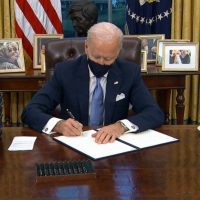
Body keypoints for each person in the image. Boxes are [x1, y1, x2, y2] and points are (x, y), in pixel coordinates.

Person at [21, 22, 164, 144]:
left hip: (113, 145)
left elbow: (154, 113)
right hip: (74, 146)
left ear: (118, 52)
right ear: (86, 47)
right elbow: (30, 111)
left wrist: (121, 126)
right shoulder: (65, 71)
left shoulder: (129, 72)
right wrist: (59, 125)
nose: (101, 63)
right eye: (96, 56)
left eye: (108, 58)